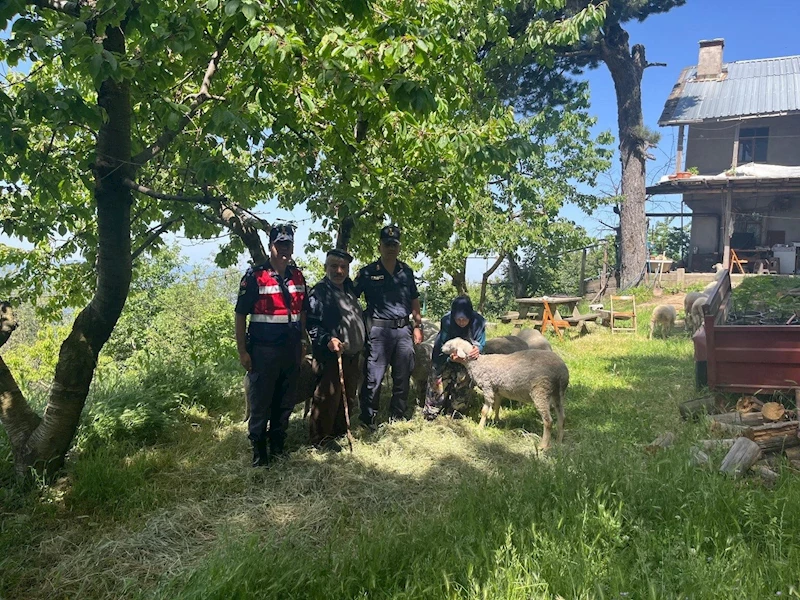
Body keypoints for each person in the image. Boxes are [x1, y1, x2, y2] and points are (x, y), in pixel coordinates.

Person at [235, 224, 308, 467]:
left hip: (291, 349)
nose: (284, 249)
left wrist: (302, 341)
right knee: (261, 401)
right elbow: (240, 314)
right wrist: (243, 351)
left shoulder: (297, 276)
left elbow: (302, 312)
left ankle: (278, 444)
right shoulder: (255, 276)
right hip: (263, 350)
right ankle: (259, 452)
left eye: (288, 244)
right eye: (280, 244)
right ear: (271, 247)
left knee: (285, 400)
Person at [354, 225, 423, 429]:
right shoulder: (367, 273)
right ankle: (369, 418)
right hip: (378, 331)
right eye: (387, 244)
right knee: (373, 377)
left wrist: (417, 325)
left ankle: (398, 415)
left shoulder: (406, 271)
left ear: (399, 247)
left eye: (394, 244)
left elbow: (414, 299)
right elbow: (350, 297)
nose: (391, 248)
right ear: (380, 246)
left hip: (403, 330)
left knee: (402, 375)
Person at [306, 248, 366, 450]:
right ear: (325, 267)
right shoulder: (319, 292)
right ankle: (320, 440)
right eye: (334, 266)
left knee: (346, 395)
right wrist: (327, 340)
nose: (339, 270)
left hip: (351, 354)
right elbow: (312, 325)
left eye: (343, 267)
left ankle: (338, 431)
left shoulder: (348, 288)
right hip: (330, 355)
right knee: (327, 397)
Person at [423, 296, 486, 420]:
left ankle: (456, 411)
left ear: (470, 316)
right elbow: (443, 345)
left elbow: (481, 342)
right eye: (458, 319)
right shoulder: (447, 321)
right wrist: (451, 357)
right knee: (438, 381)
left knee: (464, 379)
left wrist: (477, 350)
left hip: (467, 359)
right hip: (445, 355)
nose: (461, 322)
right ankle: (432, 411)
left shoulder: (478, 321)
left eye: (465, 319)